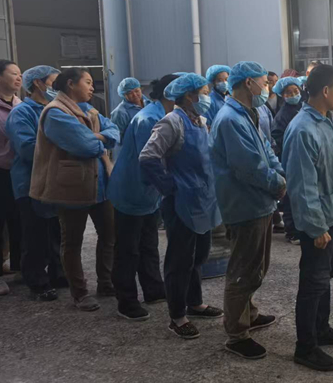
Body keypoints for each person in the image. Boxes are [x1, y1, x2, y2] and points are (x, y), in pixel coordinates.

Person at [211, 62, 286, 359]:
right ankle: (236, 333)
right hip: (244, 203)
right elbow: (248, 167)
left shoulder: (248, 113)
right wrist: (277, 183)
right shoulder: (230, 119)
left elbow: (266, 150)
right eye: (263, 83)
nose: (266, 87)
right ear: (247, 84)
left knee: (256, 266)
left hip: (259, 201)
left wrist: (279, 174)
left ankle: (249, 314)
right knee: (243, 270)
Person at [139, 73, 222, 339]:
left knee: (199, 255)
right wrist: (170, 188)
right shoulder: (171, 122)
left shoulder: (201, 121)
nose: (208, 97)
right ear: (189, 95)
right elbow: (148, 157)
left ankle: (194, 302)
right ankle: (177, 316)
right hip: (181, 202)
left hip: (203, 199)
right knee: (179, 260)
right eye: (204, 92)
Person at [30, 67, 120, 311]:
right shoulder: (55, 113)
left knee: (109, 235)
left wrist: (97, 137)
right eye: (88, 82)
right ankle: (80, 293)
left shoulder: (88, 109)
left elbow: (114, 131)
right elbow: (86, 147)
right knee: (72, 241)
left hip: (100, 184)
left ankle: (106, 282)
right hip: (71, 187)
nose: (92, 87)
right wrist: (101, 139)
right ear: (71, 83)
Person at [283, 64, 333, 372]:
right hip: (318, 222)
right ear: (325, 91)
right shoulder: (303, 129)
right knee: (312, 282)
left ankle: (321, 329)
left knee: (325, 276)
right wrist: (315, 227)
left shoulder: (327, 120)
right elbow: (302, 186)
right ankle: (305, 346)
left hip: (331, 215)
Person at [108, 75, 176, 320]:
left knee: (148, 243)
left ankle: (154, 289)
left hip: (148, 192)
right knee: (128, 248)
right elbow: (152, 162)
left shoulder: (163, 114)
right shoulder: (149, 120)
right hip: (133, 190)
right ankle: (126, 300)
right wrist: (172, 189)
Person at [5, 65, 65, 301]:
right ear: (38, 83)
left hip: (55, 180)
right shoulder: (22, 113)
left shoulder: (57, 109)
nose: (58, 88)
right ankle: (37, 282)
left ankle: (58, 273)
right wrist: (66, 148)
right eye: (54, 82)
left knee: (55, 231)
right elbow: (28, 148)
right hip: (30, 181)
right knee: (35, 234)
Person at [0, 60, 23, 297]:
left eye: (20, 74)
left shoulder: (20, 105)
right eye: (13, 73)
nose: (19, 77)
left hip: (19, 171)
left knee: (19, 219)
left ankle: (20, 266)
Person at [271, 76, 304, 243]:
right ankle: (291, 231)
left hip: (303, 158)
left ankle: (301, 227)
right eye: (288, 93)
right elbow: (278, 137)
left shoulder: (303, 108)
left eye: (295, 91)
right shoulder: (282, 115)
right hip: (290, 159)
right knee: (290, 196)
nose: (293, 95)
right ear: (282, 95)